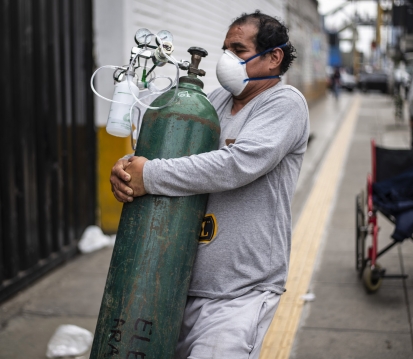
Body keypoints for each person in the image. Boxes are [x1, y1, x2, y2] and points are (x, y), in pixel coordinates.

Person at [111, 11, 309, 359]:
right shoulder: (213, 102)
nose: (226, 59)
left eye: (238, 49)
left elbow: (237, 165)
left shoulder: (285, 103)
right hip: (175, 281)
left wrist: (151, 176)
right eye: (225, 49)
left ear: (273, 57)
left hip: (238, 293)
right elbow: (169, 158)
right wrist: (127, 172)